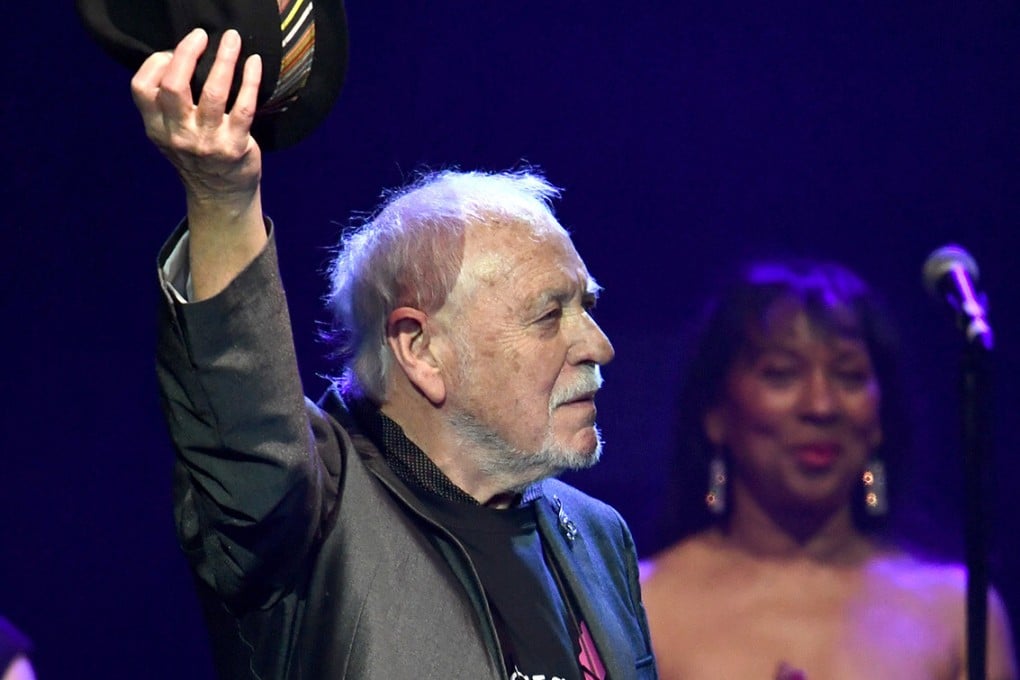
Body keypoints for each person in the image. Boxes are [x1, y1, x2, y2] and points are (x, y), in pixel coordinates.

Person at [131, 27, 657, 680]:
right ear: (420, 348)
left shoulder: (599, 536)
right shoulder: (312, 515)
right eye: (551, 315)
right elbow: (242, 422)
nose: (598, 346)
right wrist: (222, 200)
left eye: (589, 309)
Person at [639, 258, 1017, 680]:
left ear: (879, 419)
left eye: (849, 376)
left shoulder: (957, 612)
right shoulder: (642, 605)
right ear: (716, 413)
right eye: (782, 374)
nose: (821, 406)